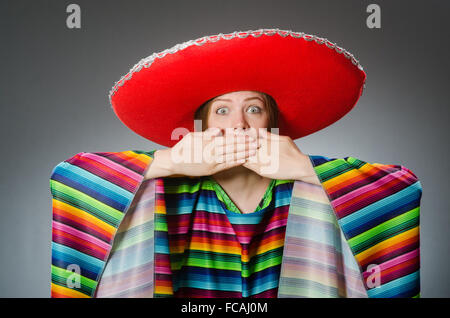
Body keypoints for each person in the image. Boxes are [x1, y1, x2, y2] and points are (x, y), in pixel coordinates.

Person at [49, 29, 422, 298]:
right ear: (202, 127)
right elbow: (69, 176)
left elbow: (404, 186)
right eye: (222, 110)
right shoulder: (165, 180)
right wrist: (168, 161)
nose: (239, 123)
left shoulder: (309, 177)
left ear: (271, 124)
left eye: (254, 109)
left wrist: (306, 170)